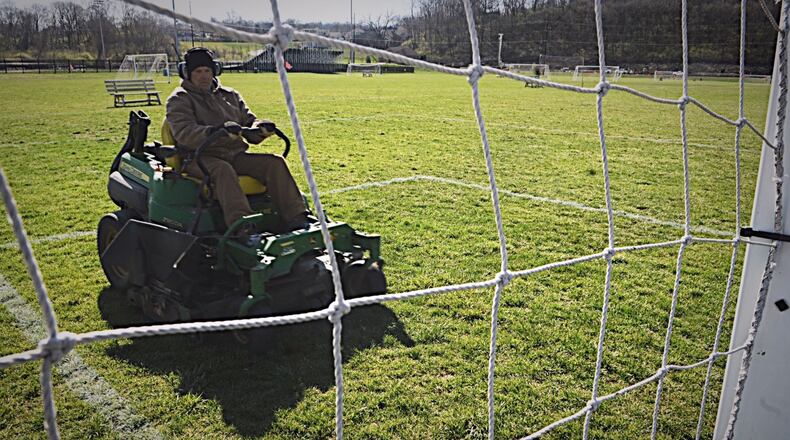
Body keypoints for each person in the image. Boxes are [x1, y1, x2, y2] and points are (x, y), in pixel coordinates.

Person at [166, 47, 310, 235]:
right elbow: (185, 133)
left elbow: (249, 121)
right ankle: (242, 227)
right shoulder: (179, 99)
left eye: (207, 71)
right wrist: (215, 132)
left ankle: (297, 217)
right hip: (199, 158)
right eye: (198, 71)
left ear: (215, 71)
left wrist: (260, 128)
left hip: (235, 155)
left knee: (274, 162)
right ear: (187, 74)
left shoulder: (230, 95)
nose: (203, 76)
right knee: (223, 170)